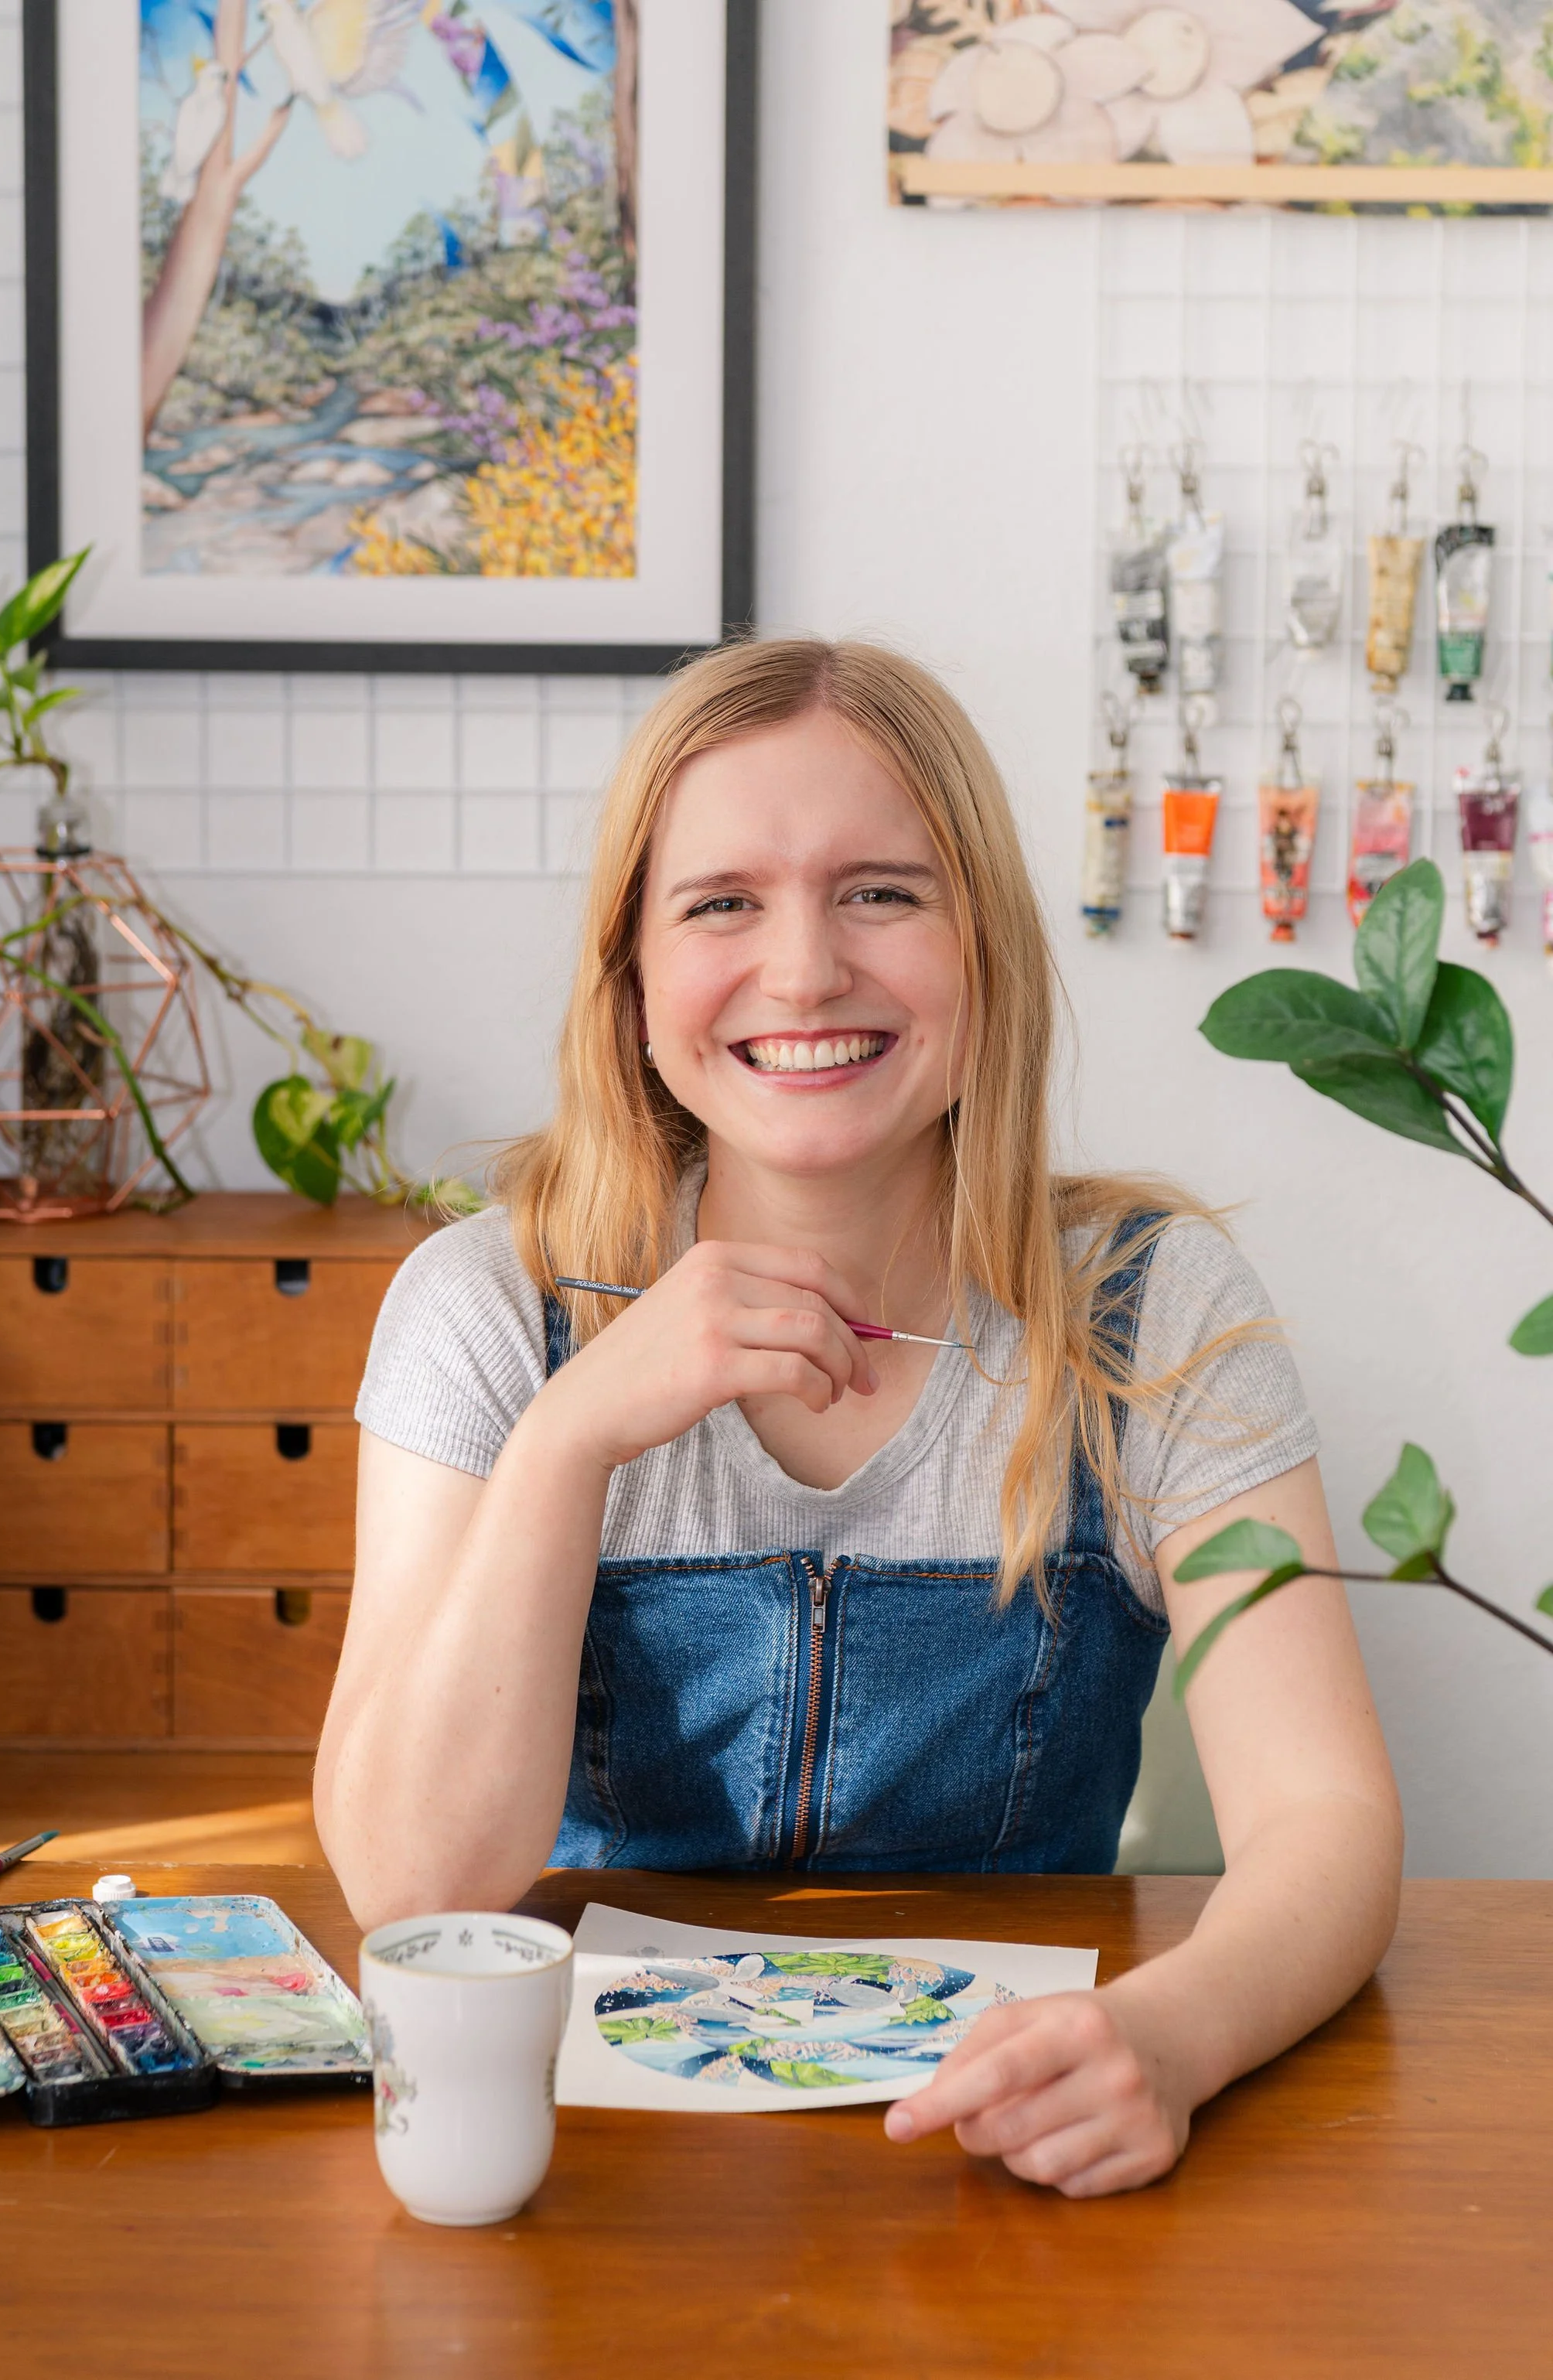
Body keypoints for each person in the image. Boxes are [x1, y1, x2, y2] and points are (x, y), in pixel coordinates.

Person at [316, 637, 1401, 2198]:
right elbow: (409, 1886)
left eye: (881, 891)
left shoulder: (1157, 1308)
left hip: (1014, 2157)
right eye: (721, 903)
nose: (806, 969)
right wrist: (569, 1438)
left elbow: (1328, 1820)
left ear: (985, 949)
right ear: (632, 981)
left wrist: (1170, 2036)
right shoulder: (486, 1305)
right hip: (590, 2182)